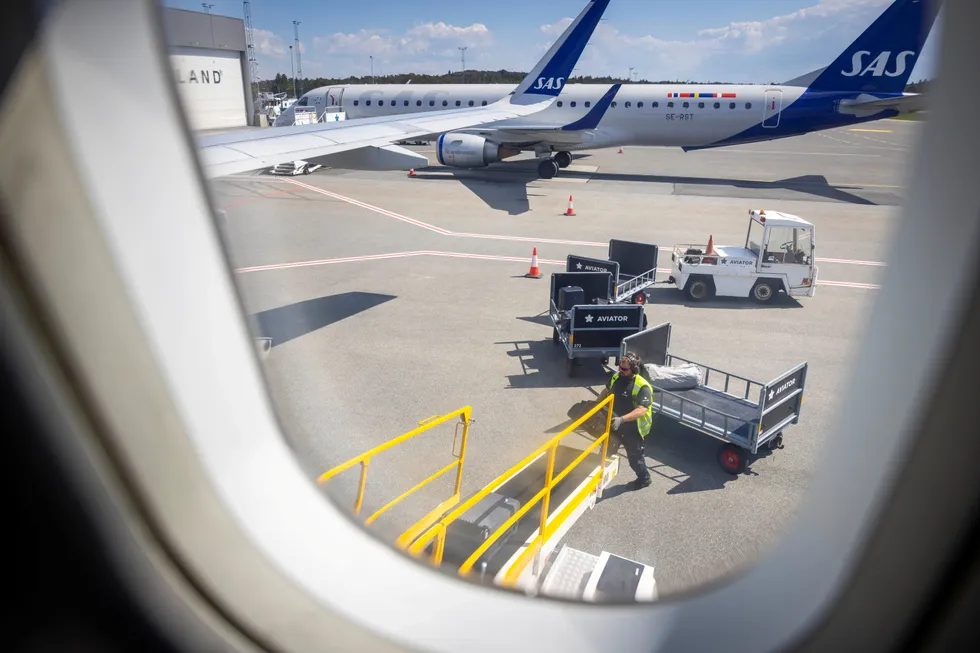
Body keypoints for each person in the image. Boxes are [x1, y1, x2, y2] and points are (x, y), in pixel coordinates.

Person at [594, 351, 653, 489]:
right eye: (620, 367)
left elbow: (641, 410)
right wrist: (596, 404)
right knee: (605, 452)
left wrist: (622, 419)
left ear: (633, 369)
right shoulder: (616, 376)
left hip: (632, 429)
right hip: (615, 424)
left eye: (624, 369)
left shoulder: (642, 386)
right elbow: (606, 391)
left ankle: (644, 478)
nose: (621, 370)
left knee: (634, 459)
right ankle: (596, 478)